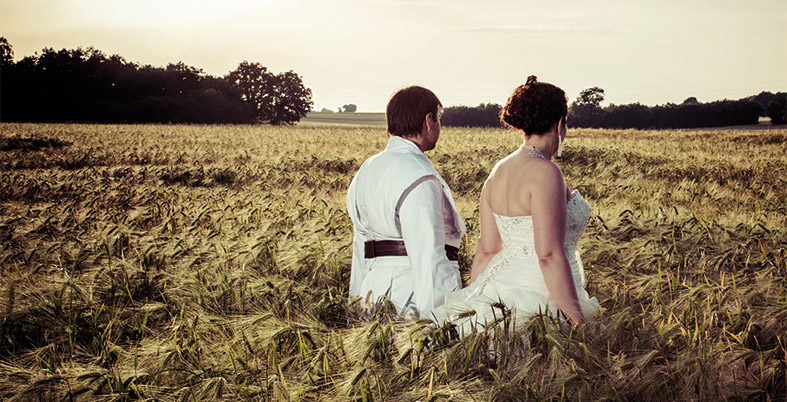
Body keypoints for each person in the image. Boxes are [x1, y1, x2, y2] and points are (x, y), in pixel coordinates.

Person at [430, 76, 599, 334]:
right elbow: (549, 255)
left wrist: (472, 302)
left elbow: (487, 250)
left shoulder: (497, 172)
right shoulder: (546, 171)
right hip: (543, 295)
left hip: (503, 288)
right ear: (560, 123)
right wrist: (578, 321)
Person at [346, 86, 466, 319]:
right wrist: (434, 321)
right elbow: (428, 255)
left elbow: (360, 245)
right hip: (412, 293)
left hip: (371, 290)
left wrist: (356, 301)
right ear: (428, 120)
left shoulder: (366, 170)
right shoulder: (419, 174)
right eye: (438, 119)